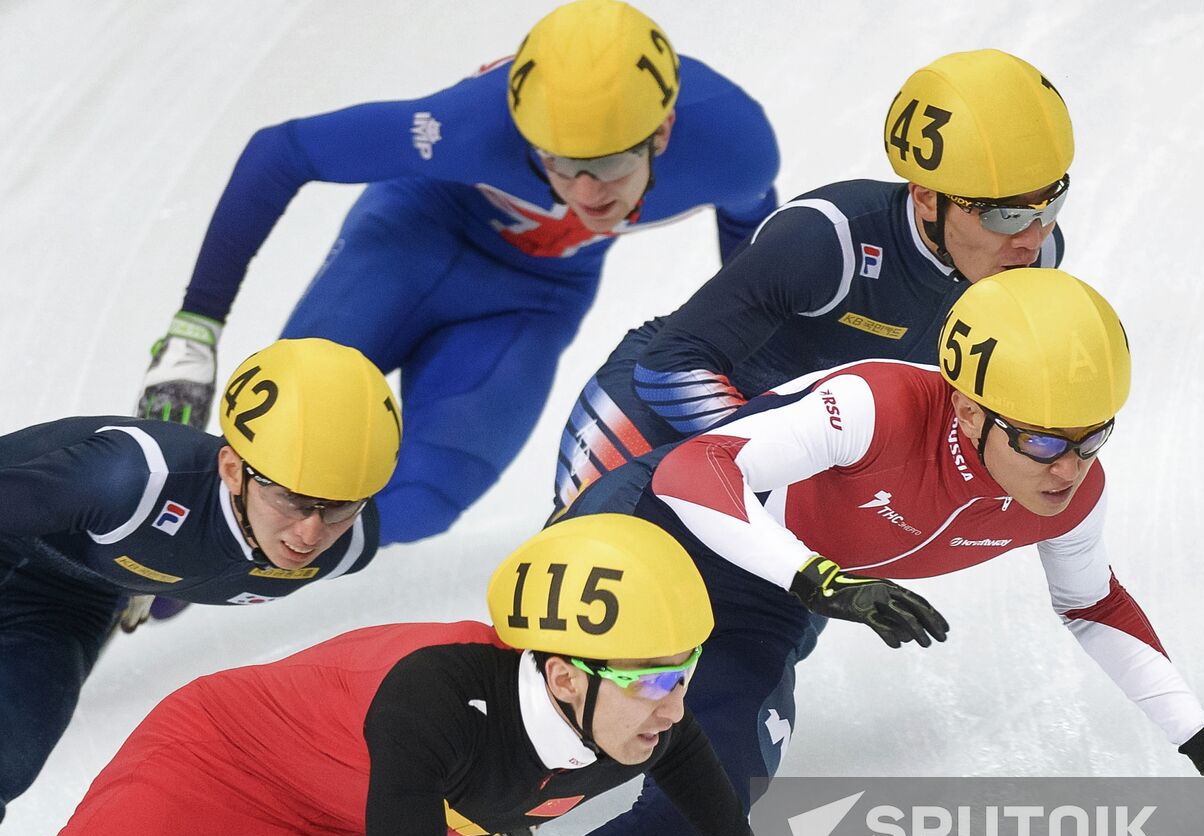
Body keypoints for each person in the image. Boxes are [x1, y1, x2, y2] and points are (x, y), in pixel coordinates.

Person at [503, 267, 1204, 836]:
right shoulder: (876, 406)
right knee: (572, 736)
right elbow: (692, 469)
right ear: (970, 412)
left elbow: (1094, 605)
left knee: (695, 805)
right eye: (1044, 442)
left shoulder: (1072, 493)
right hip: (656, 533)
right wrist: (818, 576)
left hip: (768, 598)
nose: (1069, 468)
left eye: (1093, 438)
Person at [0, 515, 863, 836]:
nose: (676, 704)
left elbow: (700, 782)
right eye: (655, 678)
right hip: (197, 786)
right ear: (565, 676)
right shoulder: (434, 698)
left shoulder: (632, 710)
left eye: (686, 671)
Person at [136, 0, 780, 546]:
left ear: (662, 132)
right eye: (558, 162)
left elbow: (753, 248)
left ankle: (213, 563)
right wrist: (196, 327)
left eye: (609, 164)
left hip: (535, 298)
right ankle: (147, 552)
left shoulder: (734, 148)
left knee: (424, 501)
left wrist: (743, 359)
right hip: (416, 235)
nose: (585, 191)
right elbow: (281, 152)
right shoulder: (470, 125)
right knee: (286, 445)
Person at [554, 48, 1072, 511]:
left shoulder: (1038, 256)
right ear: (927, 199)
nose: (1031, 238)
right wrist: (795, 466)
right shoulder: (829, 239)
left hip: (793, 455)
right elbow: (669, 366)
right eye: (1005, 215)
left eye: (1050, 204)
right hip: (657, 412)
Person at [0, 337, 400, 822]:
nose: (311, 533)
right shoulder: (130, 479)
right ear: (232, 469)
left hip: (74, 601)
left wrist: (157, 575)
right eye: (292, 499)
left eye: (338, 506)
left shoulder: (350, 546)